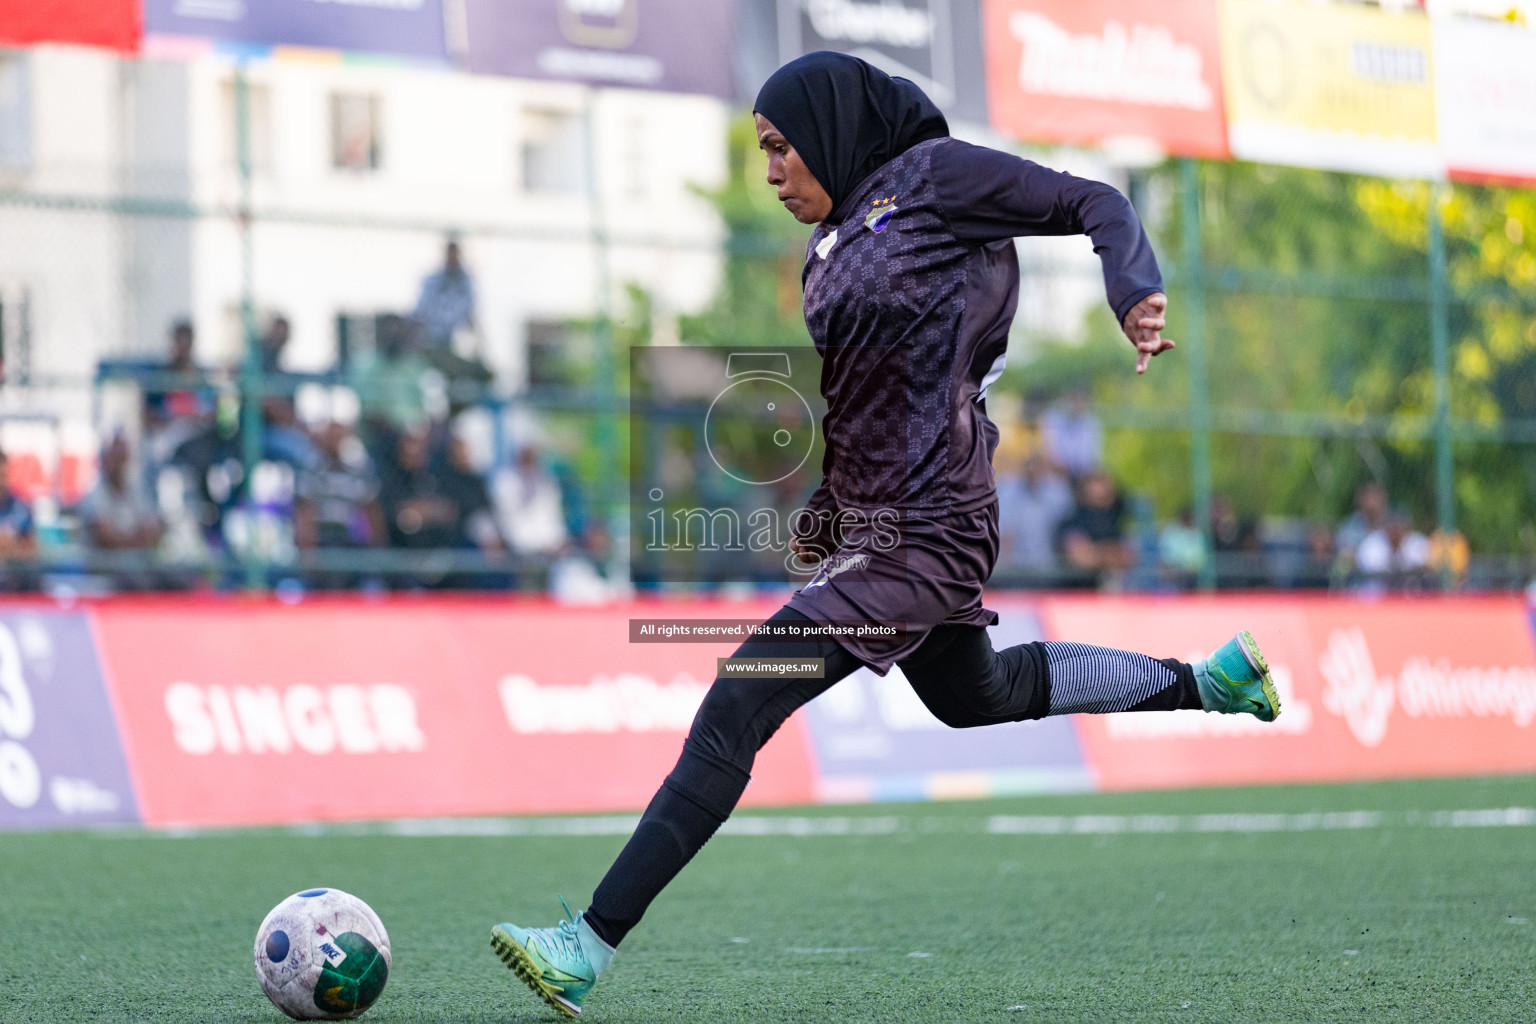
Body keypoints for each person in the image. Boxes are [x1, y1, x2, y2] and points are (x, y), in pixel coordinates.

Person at [486, 53, 1283, 1017]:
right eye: (763, 152)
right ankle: (1210, 682)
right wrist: (829, 505)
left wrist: (1134, 289)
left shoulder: (936, 181)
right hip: (885, 527)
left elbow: (1095, 200)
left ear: (829, 129)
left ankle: (586, 945)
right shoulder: (830, 244)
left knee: (743, 694)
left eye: (782, 148)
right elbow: (866, 395)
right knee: (971, 697)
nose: (772, 171)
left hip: (934, 528)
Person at [994, 451, 1073, 577]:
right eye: (1030, 465)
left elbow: (1066, 529)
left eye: (1039, 466)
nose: (1034, 470)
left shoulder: (1058, 493)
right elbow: (1005, 535)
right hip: (1014, 568)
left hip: (1050, 567)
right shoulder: (1007, 492)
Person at [414, 238, 477, 351]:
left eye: (455, 253)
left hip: (456, 339)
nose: (452, 257)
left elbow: (469, 309)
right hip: (431, 337)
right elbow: (422, 309)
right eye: (450, 253)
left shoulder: (465, 282)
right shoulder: (433, 280)